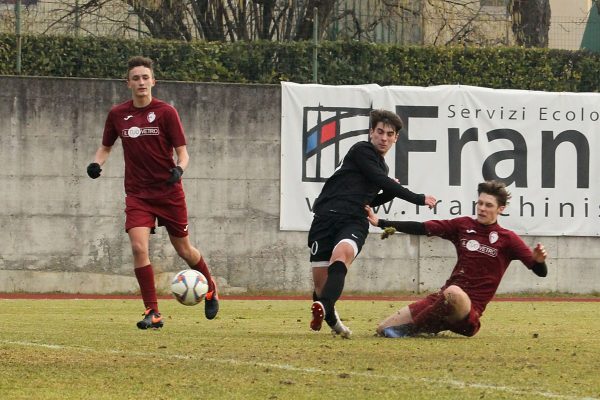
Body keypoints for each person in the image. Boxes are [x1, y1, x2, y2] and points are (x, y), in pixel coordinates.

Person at [86, 56, 219, 329]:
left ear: (153, 81)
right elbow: (106, 147)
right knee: (138, 247)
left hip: (169, 192)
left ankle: (210, 288)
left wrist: (179, 170)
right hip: (138, 195)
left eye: (145, 78)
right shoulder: (117, 114)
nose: (141, 82)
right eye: (135, 78)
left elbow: (183, 153)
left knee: (184, 249)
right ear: (128, 84)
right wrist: (96, 164)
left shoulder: (166, 112)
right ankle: (153, 312)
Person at [308, 109, 437, 338]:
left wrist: (388, 191)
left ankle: (325, 307)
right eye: (379, 132)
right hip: (325, 218)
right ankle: (331, 317)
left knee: (342, 255)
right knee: (321, 289)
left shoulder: (382, 169)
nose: (384, 138)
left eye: (389, 134)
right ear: (371, 133)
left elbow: (371, 199)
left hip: (353, 220)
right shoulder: (362, 150)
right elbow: (380, 181)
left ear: (396, 138)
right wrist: (417, 198)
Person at [365, 180, 548, 338]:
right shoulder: (463, 225)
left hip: (467, 311)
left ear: (501, 209)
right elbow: (423, 227)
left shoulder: (508, 238)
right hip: (441, 300)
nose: (482, 209)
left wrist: (539, 261)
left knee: (453, 292)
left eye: (488, 205)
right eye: (480, 203)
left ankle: (411, 329)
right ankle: (429, 324)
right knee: (383, 329)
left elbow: (540, 272)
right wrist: (382, 223)